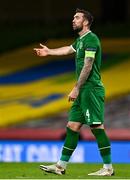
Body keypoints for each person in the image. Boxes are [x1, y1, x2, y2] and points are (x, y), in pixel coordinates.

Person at [34, 8, 114, 176]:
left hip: (90, 89)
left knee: (97, 126)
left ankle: (108, 168)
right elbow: (67, 49)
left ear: (85, 22)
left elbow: (88, 64)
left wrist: (76, 88)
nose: (73, 20)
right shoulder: (80, 41)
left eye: (77, 18)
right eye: (73, 17)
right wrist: (49, 52)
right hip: (83, 89)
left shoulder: (91, 39)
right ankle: (60, 166)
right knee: (72, 125)